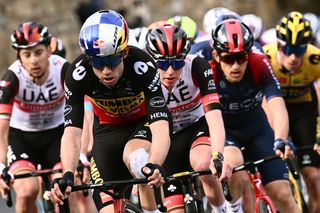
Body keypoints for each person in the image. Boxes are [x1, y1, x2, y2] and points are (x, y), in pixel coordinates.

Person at [48, 10, 171, 213]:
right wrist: (68, 173)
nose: (106, 70)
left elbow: (160, 124)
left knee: (138, 159)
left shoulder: (142, 65)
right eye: (97, 62)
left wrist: (155, 163)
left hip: (143, 124)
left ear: (124, 52)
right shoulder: (78, 74)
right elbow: (71, 132)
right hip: (107, 131)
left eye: (112, 60)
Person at [210, 19, 301, 213]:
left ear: (249, 54)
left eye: (241, 58)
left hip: (257, 129)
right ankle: (233, 208)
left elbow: (277, 105)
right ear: (216, 55)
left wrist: (281, 139)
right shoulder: (209, 71)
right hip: (227, 133)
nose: (236, 66)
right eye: (228, 59)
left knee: (283, 195)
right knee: (233, 165)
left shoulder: (259, 63)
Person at [146, 24, 232, 213]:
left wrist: (217, 155)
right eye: (163, 63)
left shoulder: (197, 66)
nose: (170, 71)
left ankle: (221, 209)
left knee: (203, 164)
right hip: (165, 138)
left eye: (177, 63)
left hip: (196, 127)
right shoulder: (144, 74)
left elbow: (215, 115)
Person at [0, 22, 69, 212]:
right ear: (19, 57)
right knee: (27, 191)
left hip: (57, 135)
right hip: (22, 137)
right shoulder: (12, 78)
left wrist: (81, 155)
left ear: (49, 50)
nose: (33, 61)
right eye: (26, 55)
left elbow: (84, 113)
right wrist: (0, 166)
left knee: (68, 188)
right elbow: (2, 131)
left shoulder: (63, 69)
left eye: (38, 52)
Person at [263, 11, 320, 213]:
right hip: (273, 109)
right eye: (287, 49)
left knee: (313, 177)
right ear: (278, 45)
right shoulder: (264, 57)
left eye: (300, 49)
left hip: (304, 110)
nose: (294, 57)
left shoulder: (315, 59)